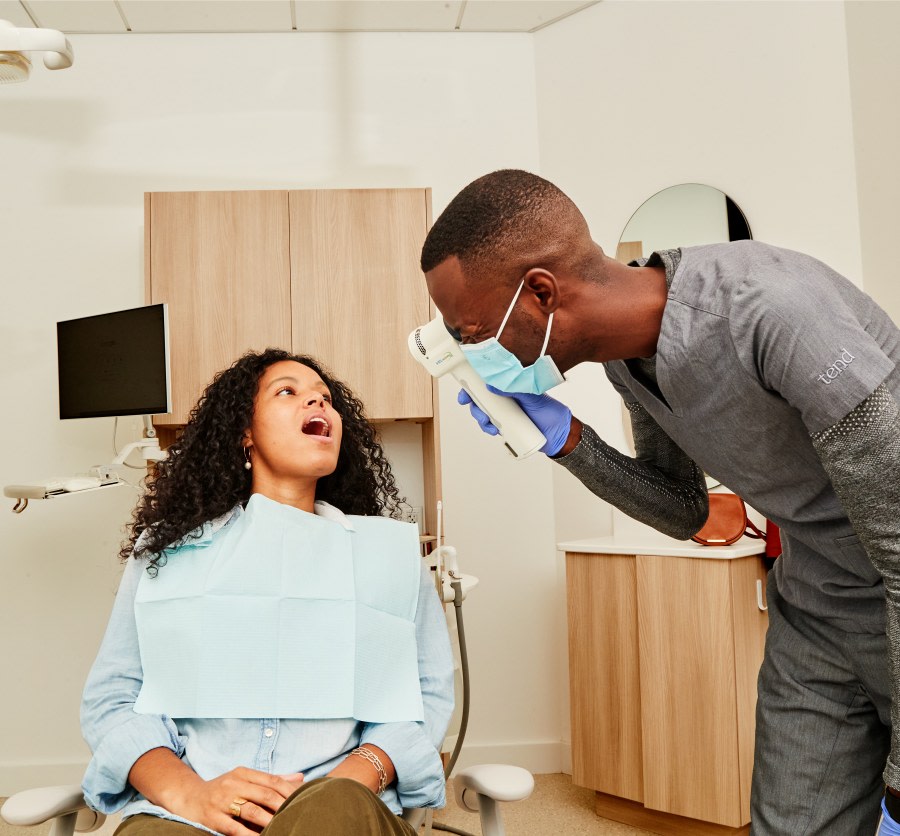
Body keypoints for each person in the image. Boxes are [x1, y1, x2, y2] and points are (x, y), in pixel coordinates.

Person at [421, 169, 900, 835]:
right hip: (819, 612)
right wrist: (567, 442)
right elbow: (685, 509)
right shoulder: (628, 361)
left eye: (470, 333)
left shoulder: (775, 311)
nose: (471, 355)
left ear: (538, 292)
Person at [80, 348, 454, 836]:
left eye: (326, 399)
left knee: (331, 811)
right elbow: (114, 696)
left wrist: (352, 778)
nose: (318, 406)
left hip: (339, 804)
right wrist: (189, 792)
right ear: (245, 431)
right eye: (289, 392)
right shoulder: (166, 554)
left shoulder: (388, 556)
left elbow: (423, 695)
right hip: (192, 809)